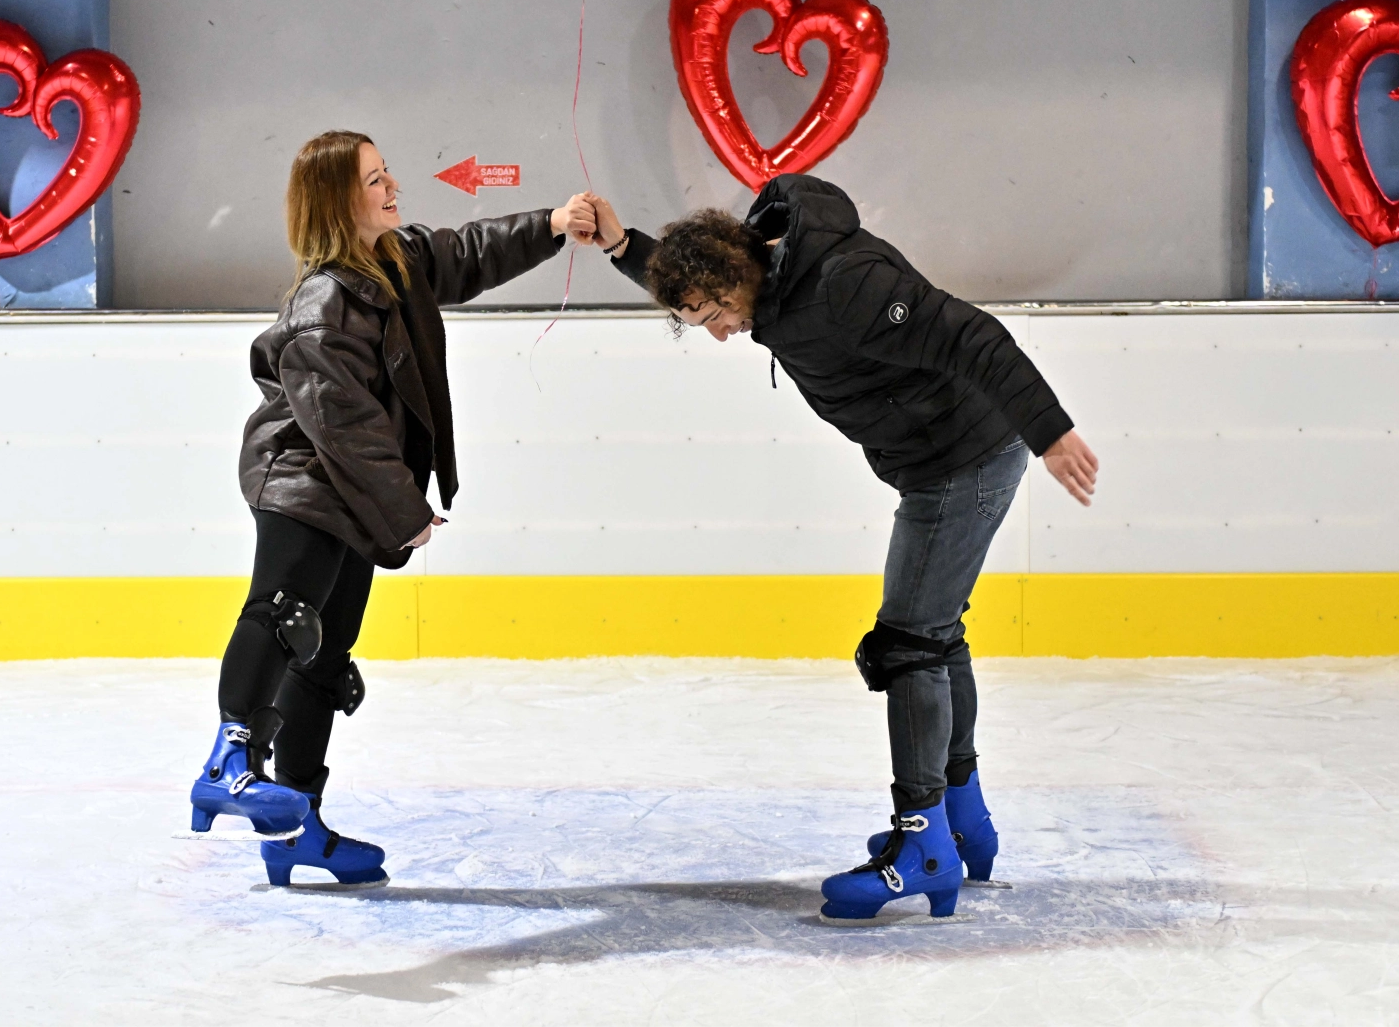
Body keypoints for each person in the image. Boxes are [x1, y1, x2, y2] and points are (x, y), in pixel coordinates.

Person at [586, 175, 1098, 924]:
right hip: (938, 461)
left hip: (962, 458)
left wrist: (1048, 430)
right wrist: (622, 246)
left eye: (716, 314)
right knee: (933, 633)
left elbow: (971, 335)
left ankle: (924, 846)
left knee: (908, 646)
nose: (721, 331)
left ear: (737, 277)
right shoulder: (763, 270)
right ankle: (964, 823)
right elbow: (691, 277)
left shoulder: (845, 286)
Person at [188, 129, 597, 888]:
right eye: (375, 180)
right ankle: (229, 760)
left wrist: (552, 222)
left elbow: (466, 252)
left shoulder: (393, 263)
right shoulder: (323, 302)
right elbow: (341, 426)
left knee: (321, 662)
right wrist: (405, 509)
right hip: (305, 480)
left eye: (386, 175)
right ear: (339, 200)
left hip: (347, 489)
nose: (393, 187)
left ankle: (297, 828)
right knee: (283, 616)